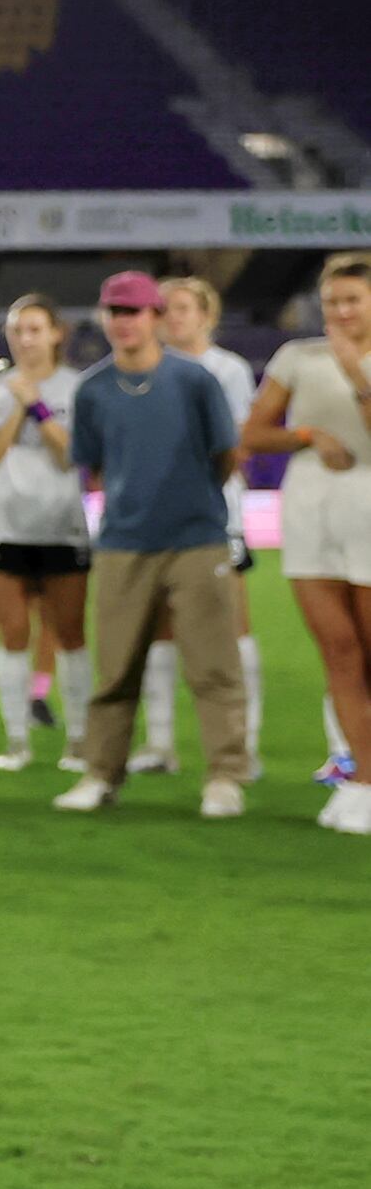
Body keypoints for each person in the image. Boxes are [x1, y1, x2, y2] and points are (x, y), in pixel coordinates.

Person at [56, 271, 253, 817]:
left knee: (213, 666)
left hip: (196, 538)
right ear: (104, 318)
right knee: (115, 668)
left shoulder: (195, 381)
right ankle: (101, 774)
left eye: (134, 311)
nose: (123, 322)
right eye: (114, 311)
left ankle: (224, 777)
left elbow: (226, 455)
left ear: (155, 317)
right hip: (123, 542)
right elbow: (94, 464)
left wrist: (188, 501)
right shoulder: (92, 389)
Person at [247, 252, 371, 832]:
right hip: (311, 510)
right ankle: (362, 780)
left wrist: (356, 373)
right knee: (339, 654)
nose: (341, 312)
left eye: (353, 300)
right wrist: (307, 433)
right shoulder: (297, 356)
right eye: (332, 302)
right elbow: (254, 431)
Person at [132, 277, 262, 776]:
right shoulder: (143, 367)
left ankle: (243, 745)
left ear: (207, 315)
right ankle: (160, 744)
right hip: (153, 516)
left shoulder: (225, 369)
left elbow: (233, 442)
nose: (172, 317)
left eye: (183, 308)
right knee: (159, 626)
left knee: (231, 625)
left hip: (212, 514)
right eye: (164, 309)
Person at [0, 296, 93, 772]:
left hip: (63, 527)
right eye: (17, 330)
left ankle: (79, 741)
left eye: (35, 329)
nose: (25, 339)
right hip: (5, 526)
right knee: (12, 633)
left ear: (57, 333)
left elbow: (72, 455)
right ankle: (17, 742)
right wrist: (16, 407)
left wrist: (38, 407)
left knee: (70, 634)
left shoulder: (79, 387)